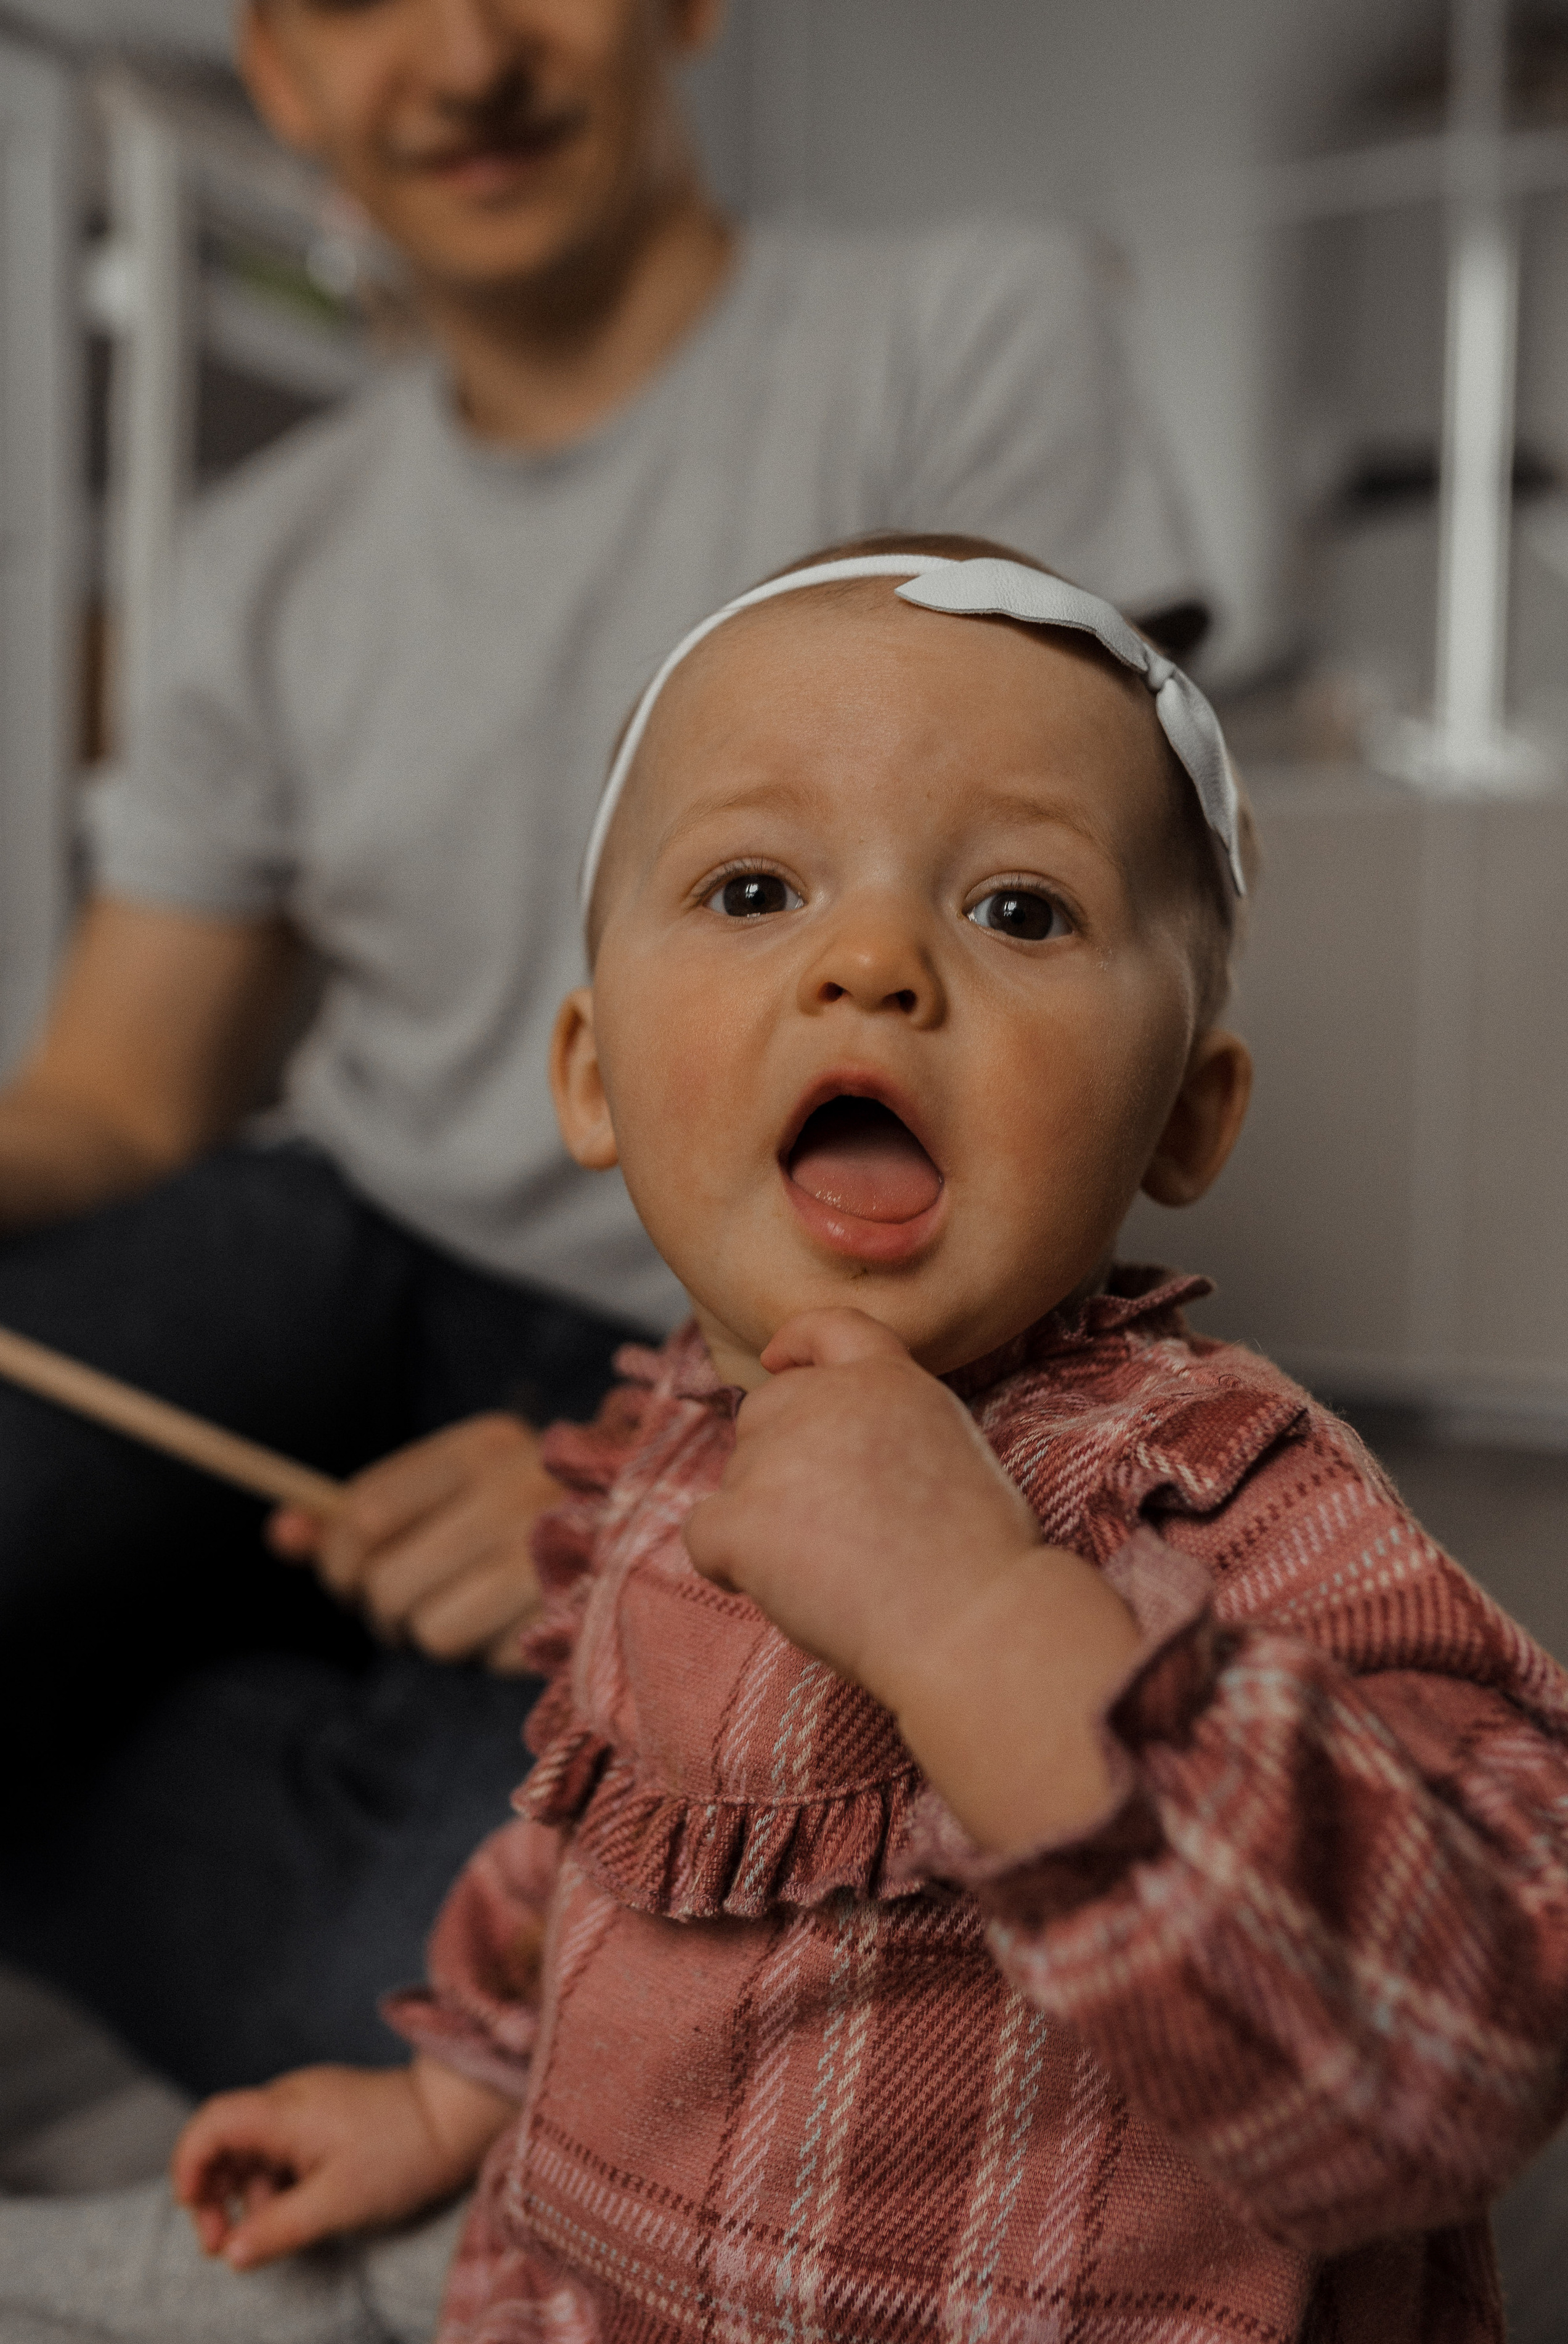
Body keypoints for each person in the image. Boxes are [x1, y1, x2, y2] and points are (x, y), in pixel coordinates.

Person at [2, 533, 1568, 2344]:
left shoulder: (1217, 1491)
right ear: (590, 1077)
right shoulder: (660, 1449)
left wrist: (985, 1624)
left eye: (1019, 911)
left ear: (1190, 1109)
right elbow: (593, 1867)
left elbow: (1471, 2043)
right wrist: (443, 2107)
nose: (872, 963)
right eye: (754, 888)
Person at [0, 0, 1200, 2093]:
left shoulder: (959, 334)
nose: (462, 58)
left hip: (746, 1318)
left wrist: (642, 1472)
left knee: (419, 1975)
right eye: (365, 1)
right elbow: (116, 1098)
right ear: (274, 73)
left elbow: (1087, 986)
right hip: (340, 1227)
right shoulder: (261, 558)